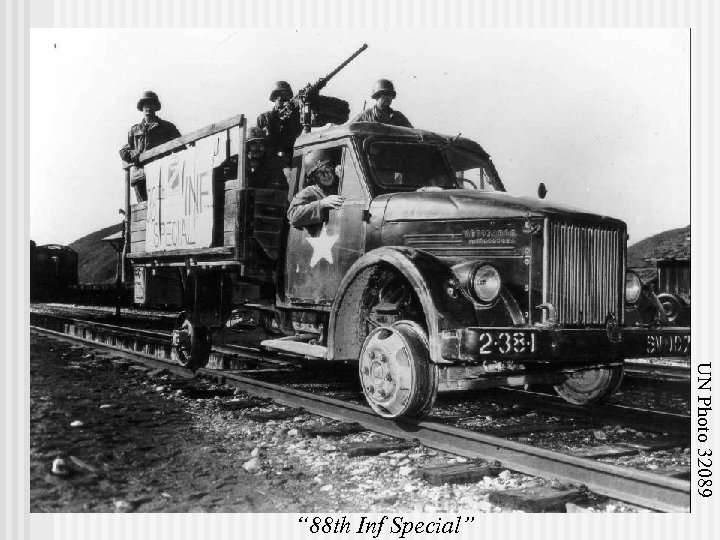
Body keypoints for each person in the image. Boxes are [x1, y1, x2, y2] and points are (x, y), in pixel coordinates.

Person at [119, 90, 181, 201]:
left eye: (151, 104)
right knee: (145, 209)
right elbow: (124, 151)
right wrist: (134, 153)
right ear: (142, 107)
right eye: (145, 104)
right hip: (140, 177)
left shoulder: (167, 127)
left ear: (155, 107)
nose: (148, 107)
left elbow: (180, 145)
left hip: (161, 174)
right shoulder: (134, 130)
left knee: (163, 206)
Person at [287, 148, 344, 228]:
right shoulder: (310, 191)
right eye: (320, 173)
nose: (326, 175)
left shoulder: (340, 183)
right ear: (314, 178)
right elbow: (293, 215)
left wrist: (344, 174)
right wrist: (321, 204)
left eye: (327, 168)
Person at [257, 81, 304, 165]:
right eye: (280, 98)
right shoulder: (264, 118)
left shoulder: (295, 118)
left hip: (291, 161)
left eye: (286, 98)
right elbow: (258, 146)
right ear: (274, 98)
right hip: (269, 163)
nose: (283, 101)